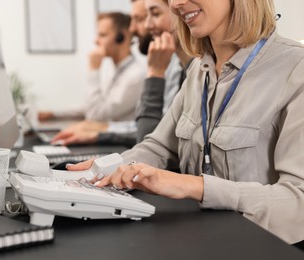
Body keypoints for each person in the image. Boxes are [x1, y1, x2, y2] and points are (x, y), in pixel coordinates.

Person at [69, 0, 304, 246]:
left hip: (260, 248)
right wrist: (107, 168)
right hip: (202, 240)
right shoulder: (198, 70)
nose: (176, 3)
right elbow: (158, 147)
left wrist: (194, 186)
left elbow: (298, 201)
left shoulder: (295, 68)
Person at [50, 0, 192, 148]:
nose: (142, 27)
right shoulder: (172, 67)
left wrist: (99, 133)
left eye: (154, 14)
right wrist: (55, 115)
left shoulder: (141, 73)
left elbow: (148, 135)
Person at [38, 12, 145, 122]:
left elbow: (96, 115)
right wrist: (53, 114)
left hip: (117, 138)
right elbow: (91, 106)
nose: (96, 41)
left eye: (102, 35)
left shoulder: (135, 76)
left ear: (121, 37)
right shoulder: (113, 69)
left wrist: (94, 70)